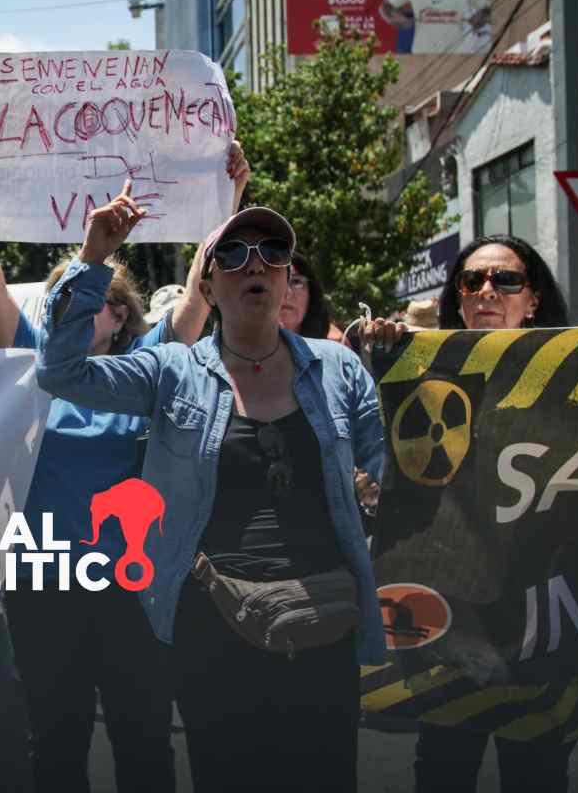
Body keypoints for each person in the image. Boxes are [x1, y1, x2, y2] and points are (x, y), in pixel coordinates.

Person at [34, 183, 402, 792]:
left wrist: (397, 367)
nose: (253, 263)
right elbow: (61, 371)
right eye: (230, 254)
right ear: (207, 287)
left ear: (288, 279)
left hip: (326, 621)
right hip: (214, 629)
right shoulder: (171, 370)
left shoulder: (340, 368)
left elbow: (395, 470)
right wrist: (93, 258)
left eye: (271, 251)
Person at [0, 143, 248, 793]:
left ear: (123, 319)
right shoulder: (28, 361)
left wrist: (227, 202)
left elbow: (196, 295)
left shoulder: (148, 371)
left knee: (143, 741)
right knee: (55, 740)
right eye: (66, 299)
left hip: (132, 588)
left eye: (100, 299)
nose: (82, 309)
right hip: (42, 582)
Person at [414, 234, 574, 793]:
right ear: (457, 298)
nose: (487, 290)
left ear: (532, 300)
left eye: (506, 280)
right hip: (452, 615)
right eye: (472, 280)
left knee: (537, 769)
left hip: (544, 613)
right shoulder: (419, 377)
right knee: (442, 767)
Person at [278, 251, 332, 339]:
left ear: (311, 294)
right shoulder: (247, 350)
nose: (287, 292)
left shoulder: (334, 350)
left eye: (296, 282)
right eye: (279, 282)